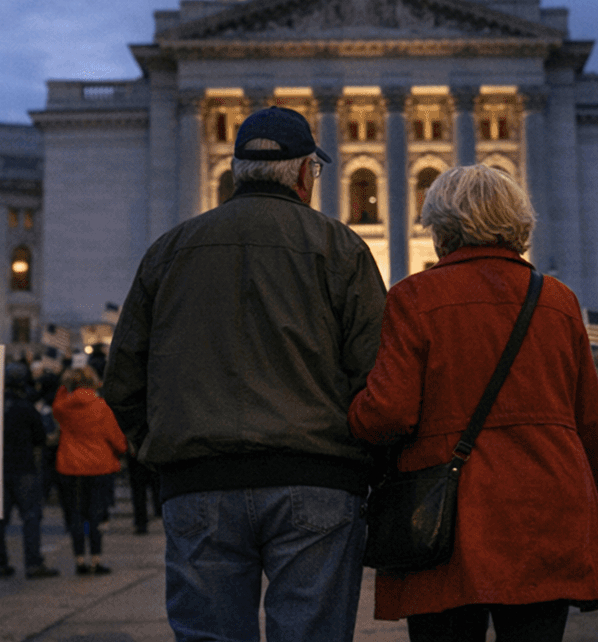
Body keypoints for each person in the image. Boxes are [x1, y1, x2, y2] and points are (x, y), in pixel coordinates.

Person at [103, 106, 387, 642]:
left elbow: (122, 380)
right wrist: (361, 463)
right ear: (306, 174)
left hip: (198, 481)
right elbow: (375, 374)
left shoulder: (169, 250)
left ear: (238, 170)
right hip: (317, 479)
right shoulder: (342, 247)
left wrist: (166, 451)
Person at [350, 164, 598, 642]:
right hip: (549, 503)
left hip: (449, 513)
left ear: (441, 226)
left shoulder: (414, 297)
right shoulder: (559, 300)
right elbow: (589, 417)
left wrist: (350, 413)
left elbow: (390, 411)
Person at [0, 363, 60, 580]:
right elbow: (40, 438)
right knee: (31, 517)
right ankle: (33, 563)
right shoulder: (26, 407)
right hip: (24, 468)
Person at [52, 365, 127, 575]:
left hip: (70, 465)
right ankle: (96, 559)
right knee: (96, 514)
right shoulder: (101, 407)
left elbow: (57, 402)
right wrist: (122, 449)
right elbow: (116, 438)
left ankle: (79, 560)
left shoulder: (63, 408)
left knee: (75, 515)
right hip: (98, 465)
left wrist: (64, 387)